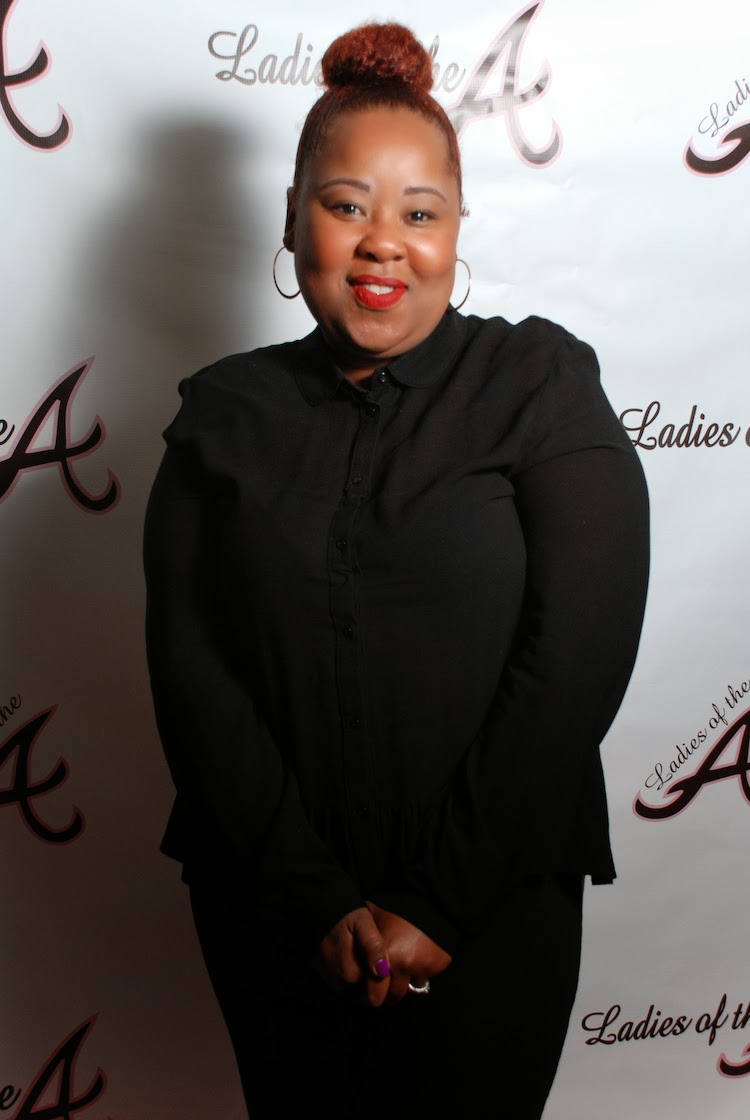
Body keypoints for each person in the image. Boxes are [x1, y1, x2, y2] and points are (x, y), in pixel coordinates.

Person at [144, 21, 649, 1119]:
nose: (385, 243)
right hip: (268, 907)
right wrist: (311, 898)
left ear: (457, 228)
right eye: (347, 205)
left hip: (494, 905)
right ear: (293, 219)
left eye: (420, 213)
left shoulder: (539, 381)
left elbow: (579, 652)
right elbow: (190, 668)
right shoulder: (221, 414)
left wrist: (439, 901)